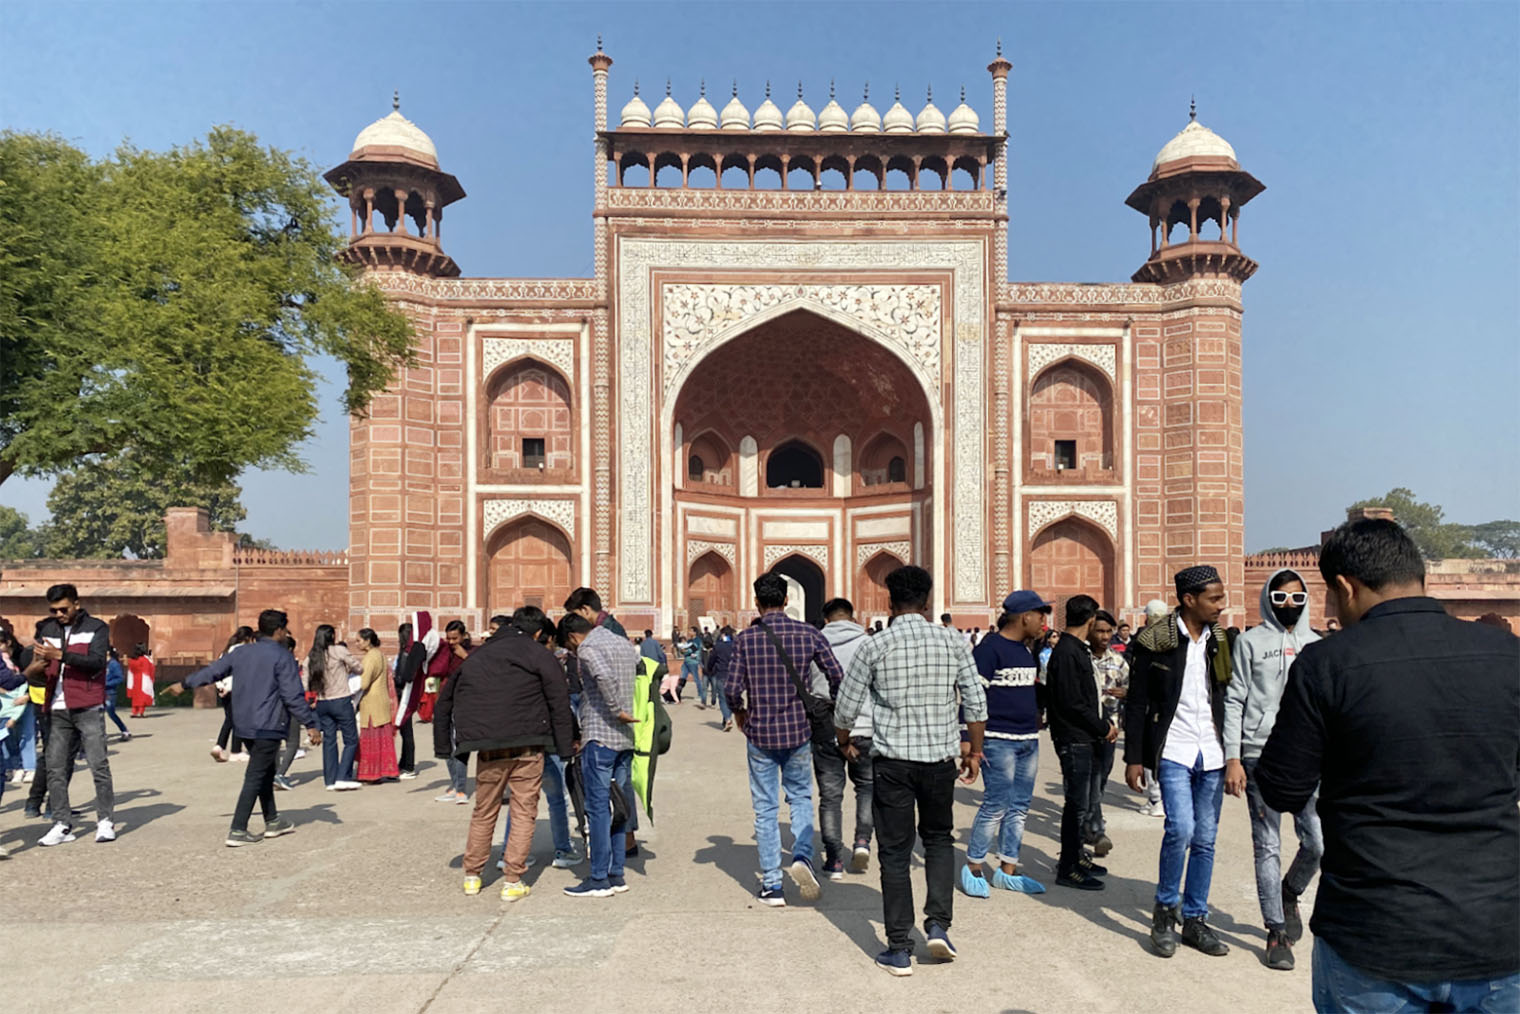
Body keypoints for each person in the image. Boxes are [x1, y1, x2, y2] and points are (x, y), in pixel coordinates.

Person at [1256, 518, 1519, 1010]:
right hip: (1496, 933)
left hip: (1374, 935)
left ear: (1344, 588)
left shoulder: (1326, 664)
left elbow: (1283, 790)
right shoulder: (1507, 655)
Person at [833, 565, 987, 976]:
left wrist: (843, 739)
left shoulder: (875, 645)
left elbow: (846, 705)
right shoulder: (953, 641)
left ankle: (899, 947)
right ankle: (938, 925)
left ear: (889, 601)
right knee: (938, 841)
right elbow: (975, 700)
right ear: (927, 601)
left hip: (894, 763)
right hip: (939, 761)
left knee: (896, 853)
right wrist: (974, 751)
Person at [1125, 566, 1234, 958]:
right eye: (1215, 599)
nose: (1222, 606)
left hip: (1213, 750)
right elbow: (1136, 703)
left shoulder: (1222, 641)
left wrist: (1235, 754)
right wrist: (1134, 758)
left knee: (1205, 839)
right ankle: (1164, 910)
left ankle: (1195, 920)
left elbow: (1228, 699)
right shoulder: (1154, 642)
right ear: (1189, 600)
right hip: (1173, 747)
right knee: (1181, 829)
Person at [436, 605, 575, 901]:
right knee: (524, 811)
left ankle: (472, 876)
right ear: (538, 632)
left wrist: (445, 748)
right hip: (528, 745)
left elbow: (445, 700)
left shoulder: (479, 656)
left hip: (488, 747)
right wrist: (566, 747)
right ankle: (513, 881)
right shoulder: (539, 655)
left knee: (484, 810)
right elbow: (559, 701)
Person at [1222, 568, 1324, 971]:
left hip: (1305, 753)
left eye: (1296, 599)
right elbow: (1235, 699)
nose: (1288, 606)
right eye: (1280, 598)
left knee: (1317, 842)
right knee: (1267, 844)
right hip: (1258, 753)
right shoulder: (1250, 642)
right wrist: (1233, 756)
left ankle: (1290, 889)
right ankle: (1276, 930)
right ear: (1268, 598)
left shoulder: (1316, 645)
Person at [726, 572, 845, 907]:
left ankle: (772, 886)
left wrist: (739, 711)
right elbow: (837, 675)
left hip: (760, 733)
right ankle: (803, 857)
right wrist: (833, 710)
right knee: (801, 798)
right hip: (798, 732)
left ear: (756, 602)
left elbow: (732, 689)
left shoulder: (746, 639)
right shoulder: (808, 633)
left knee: (765, 808)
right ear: (787, 599)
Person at [174, 610, 321, 846]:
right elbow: (292, 695)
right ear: (279, 630)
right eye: (285, 629)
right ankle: (238, 829)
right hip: (269, 723)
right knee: (255, 775)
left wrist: (185, 683)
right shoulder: (282, 656)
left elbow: (213, 671)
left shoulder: (241, 652)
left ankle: (272, 820)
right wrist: (311, 724)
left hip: (244, 723)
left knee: (263, 772)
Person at [962, 591, 1050, 899]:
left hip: (1027, 739)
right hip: (998, 740)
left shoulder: (1026, 651)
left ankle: (1007, 869)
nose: (1044, 622)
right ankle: (973, 865)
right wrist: (967, 740)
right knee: (996, 805)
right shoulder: (990, 649)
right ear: (1025, 616)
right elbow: (973, 698)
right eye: (1041, 615)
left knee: (1020, 807)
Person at [28, 583, 116, 847]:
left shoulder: (96, 628)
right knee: (55, 767)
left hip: (87, 703)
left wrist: (62, 655)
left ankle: (105, 821)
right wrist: (35, 667)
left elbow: (98, 662)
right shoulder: (48, 628)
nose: (59, 614)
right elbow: (36, 665)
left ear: (76, 603)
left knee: (98, 764)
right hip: (56, 705)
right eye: (54, 610)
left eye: (63, 609)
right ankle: (62, 823)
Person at [558, 610, 637, 898]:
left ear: (571, 637)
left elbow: (602, 675)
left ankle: (599, 877)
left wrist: (617, 710)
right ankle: (616, 874)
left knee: (599, 809)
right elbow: (639, 665)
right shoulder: (621, 642)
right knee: (619, 807)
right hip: (625, 739)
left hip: (600, 735)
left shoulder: (588, 648)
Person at [1044, 594, 1115, 891]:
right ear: (1089, 621)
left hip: (1082, 736)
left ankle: (1076, 857)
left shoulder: (1074, 650)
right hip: (1075, 738)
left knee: (1081, 804)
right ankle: (1068, 868)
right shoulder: (1068, 652)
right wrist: (1103, 726)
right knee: (1075, 805)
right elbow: (1074, 702)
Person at [810, 597, 872, 880]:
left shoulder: (816, 641)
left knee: (831, 795)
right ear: (852, 616)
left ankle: (834, 860)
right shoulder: (869, 642)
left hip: (827, 725)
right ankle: (862, 843)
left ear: (826, 619)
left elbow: (811, 685)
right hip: (865, 725)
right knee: (867, 788)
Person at [1085, 609, 1127, 859]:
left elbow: (1132, 688)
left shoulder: (1118, 661)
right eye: (1100, 631)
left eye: (1108, 631)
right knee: (1086, 780)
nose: (1104, 636)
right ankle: (1096, 829)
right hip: (1083, 730)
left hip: (1109, 730)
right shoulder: (1081, 659)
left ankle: (1088, 823)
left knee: (1100, 778)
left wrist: (1126, 693)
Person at [307, 624, 363, 790]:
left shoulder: (313, 656)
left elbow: (305, 681)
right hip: (341, 699)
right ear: (332, 636)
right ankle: (342, 776)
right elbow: (359, 668)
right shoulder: (339, 651)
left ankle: (330, 779)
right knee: (351, 740)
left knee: (329, 740)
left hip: (323, 701)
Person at [1134, 598, 1171, 818]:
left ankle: (1156, 799)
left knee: (1150, 752)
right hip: (1169, 706)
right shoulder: (1174, 638)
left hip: (1151, 706)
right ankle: (1163, 798)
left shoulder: (1145, 639)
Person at [431, 621, 473, 803]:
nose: (451, 642)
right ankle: (455, 785)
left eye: (455, 638)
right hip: (445, 703)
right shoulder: (446, 651)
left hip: (464, 704)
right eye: (448, 638)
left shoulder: (474, 652)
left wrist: (466, 657)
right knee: (445, 746)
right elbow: (435, 670)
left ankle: (461, 789)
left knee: (459, 747)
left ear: (463, 636)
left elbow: (481, 672)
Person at [394, 612, 437, 780]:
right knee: (406, 731)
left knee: (407, 731)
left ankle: (409, 766)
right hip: (406, 693)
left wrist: (394, 681)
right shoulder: (409, 652)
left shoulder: (407, 653)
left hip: (404, 694)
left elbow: (404, 676)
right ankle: (404, 763)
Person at [354, 629, 398, 783]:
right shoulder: (379, 654)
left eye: (359, 640)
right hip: (381, 701)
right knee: (381, 739)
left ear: (367, 640)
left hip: (372, 703)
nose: (357, 643)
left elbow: (364, 682)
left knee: (371, 739)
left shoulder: (370, 657)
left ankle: (372, 773)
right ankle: (384, 770)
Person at [212, 626, 255, 762]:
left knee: (230, 719)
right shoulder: (243, 652)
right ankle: (235, 751)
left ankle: (219, 746)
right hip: (236, 690)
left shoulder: (225, 652)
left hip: (224, 689)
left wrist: (220, 687)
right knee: (238, 720)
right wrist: (229, 688)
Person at [706, 625, 736, 730]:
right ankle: (727, 719)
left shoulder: (718, 646)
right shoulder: (736, 645)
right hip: (734, 676)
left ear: (722, 634)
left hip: (722, 674)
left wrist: (709, 669)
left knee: (723, 699)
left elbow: (712, 659)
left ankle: (727, 719)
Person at [102, 647, 131, 740]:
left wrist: (106, 684)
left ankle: (124, 730)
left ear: (107, 652)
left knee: (111, 713)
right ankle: (102, 733)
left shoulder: (113, 664)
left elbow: (119, 678)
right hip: (100, 692)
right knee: (98, 713)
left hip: (110, 692)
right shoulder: (102, 663)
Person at [126, 644, 155, 719]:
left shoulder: (132, 660)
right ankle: (141, 712)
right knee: (142, 695)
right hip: (143, 679)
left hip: (135, 679)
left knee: (135, 696)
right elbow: (149, 668)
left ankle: (134, 712)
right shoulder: (144, 660)